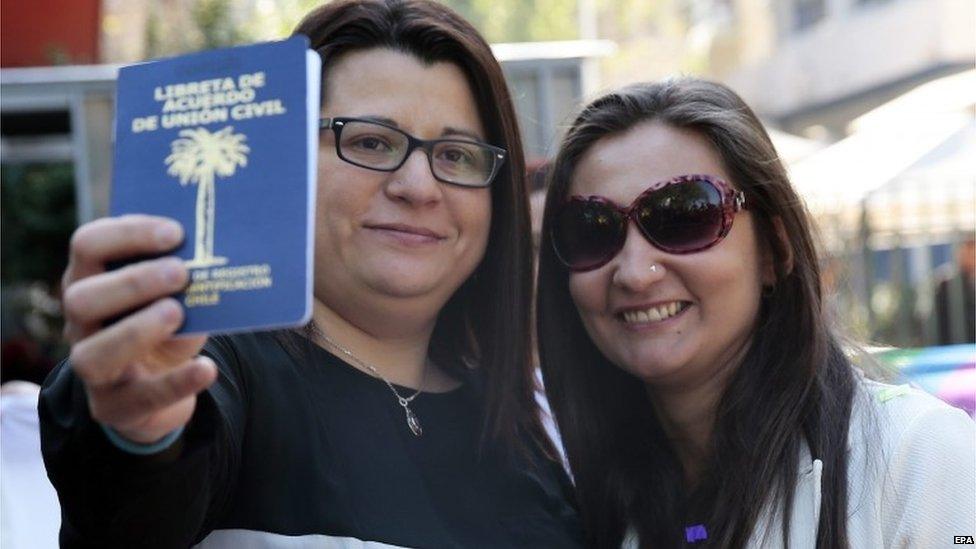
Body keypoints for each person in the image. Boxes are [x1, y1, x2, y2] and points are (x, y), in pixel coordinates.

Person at [39, 1, 582, 547]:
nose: (419, 187)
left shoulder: (526, 434)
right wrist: (137, 430)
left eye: (458, 155)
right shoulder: (213, 367)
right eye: (371, 141)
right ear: (285, 154)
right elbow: (131, 508)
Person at [535, 78, 975, 548]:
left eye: (684, 215)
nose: (635, 273)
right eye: (593, 229)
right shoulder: (569, 502)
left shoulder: (917, 457)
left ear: (774, 248)